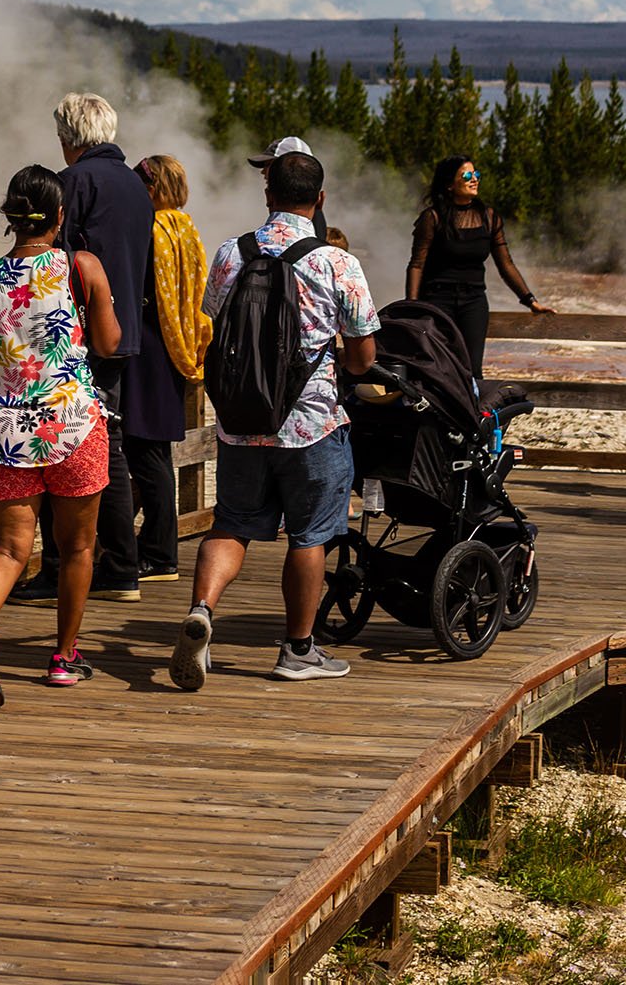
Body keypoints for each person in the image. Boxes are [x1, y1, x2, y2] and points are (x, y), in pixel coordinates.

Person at [171, 142, 380, 688]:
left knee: (231, 525)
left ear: (267, 193)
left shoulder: (230, 253)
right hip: (311, 422)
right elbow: (362, 358)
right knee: (309, 536)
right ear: (321, 198)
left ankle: (201, 612)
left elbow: (211, 324)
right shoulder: (339, 262)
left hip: (242, 421)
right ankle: (298, 650)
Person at [0, 167, 126, 707]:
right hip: (72, 423)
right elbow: (109, 341)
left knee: (7, 546)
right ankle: (64, 658)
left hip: (7, 428)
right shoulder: (82, 266)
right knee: (76, 546)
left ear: (9, 217)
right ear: (58, 216)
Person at [34, 92, 163, 606]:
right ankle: (123, 567)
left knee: (59, 448)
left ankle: (58, 570)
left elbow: (56, 263)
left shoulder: (74, 183)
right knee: (108, 447)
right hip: (123, 332)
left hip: (80, 338)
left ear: (68, 137)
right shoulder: (135, 183)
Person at [135, 153, 211, 585]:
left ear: (153, 189)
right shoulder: (187, 228)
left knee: (147, 454)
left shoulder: (154, 229)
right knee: (157, 451)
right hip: (176, 345)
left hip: (150, 343)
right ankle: (154, 546)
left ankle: (159, 553)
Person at [403, 155, 546, 377]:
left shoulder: (489, 217)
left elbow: (505, 263)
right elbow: (417, 265)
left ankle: (471, 411)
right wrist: (412, 306)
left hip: (473, 301)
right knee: (439, 366)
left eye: (476, 174)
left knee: (472, 368)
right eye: (467, 175)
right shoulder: (432, 218)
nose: (474, 179)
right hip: (437, 299)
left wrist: (530, 300)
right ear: (450, 184)